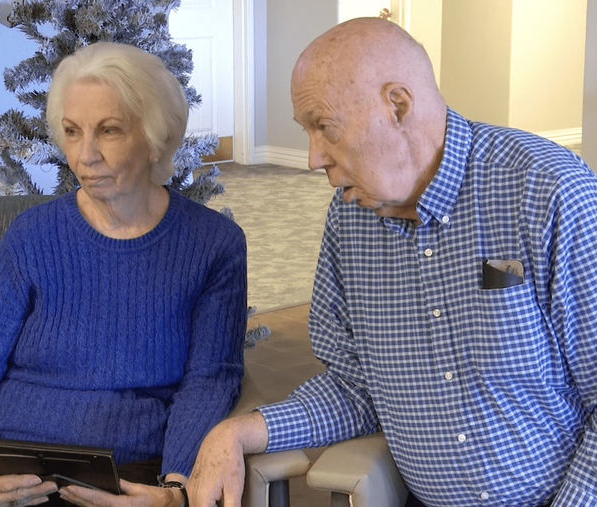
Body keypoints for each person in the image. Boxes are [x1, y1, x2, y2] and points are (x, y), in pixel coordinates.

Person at [185, 17, 597, 507]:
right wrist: (238, 433)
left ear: (398, 105)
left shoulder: (546, 191)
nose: (314, 157)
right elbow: (355, 386)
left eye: (324, 127)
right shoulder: (349, 221)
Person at [0, 42, 247, 507]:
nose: (85, 156)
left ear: (154, 138)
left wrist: (174, 490)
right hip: (11, 470)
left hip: (131, 479)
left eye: (108, 131)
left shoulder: (215, 245)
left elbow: (210, 378)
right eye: (71, 131)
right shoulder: (30, 237)